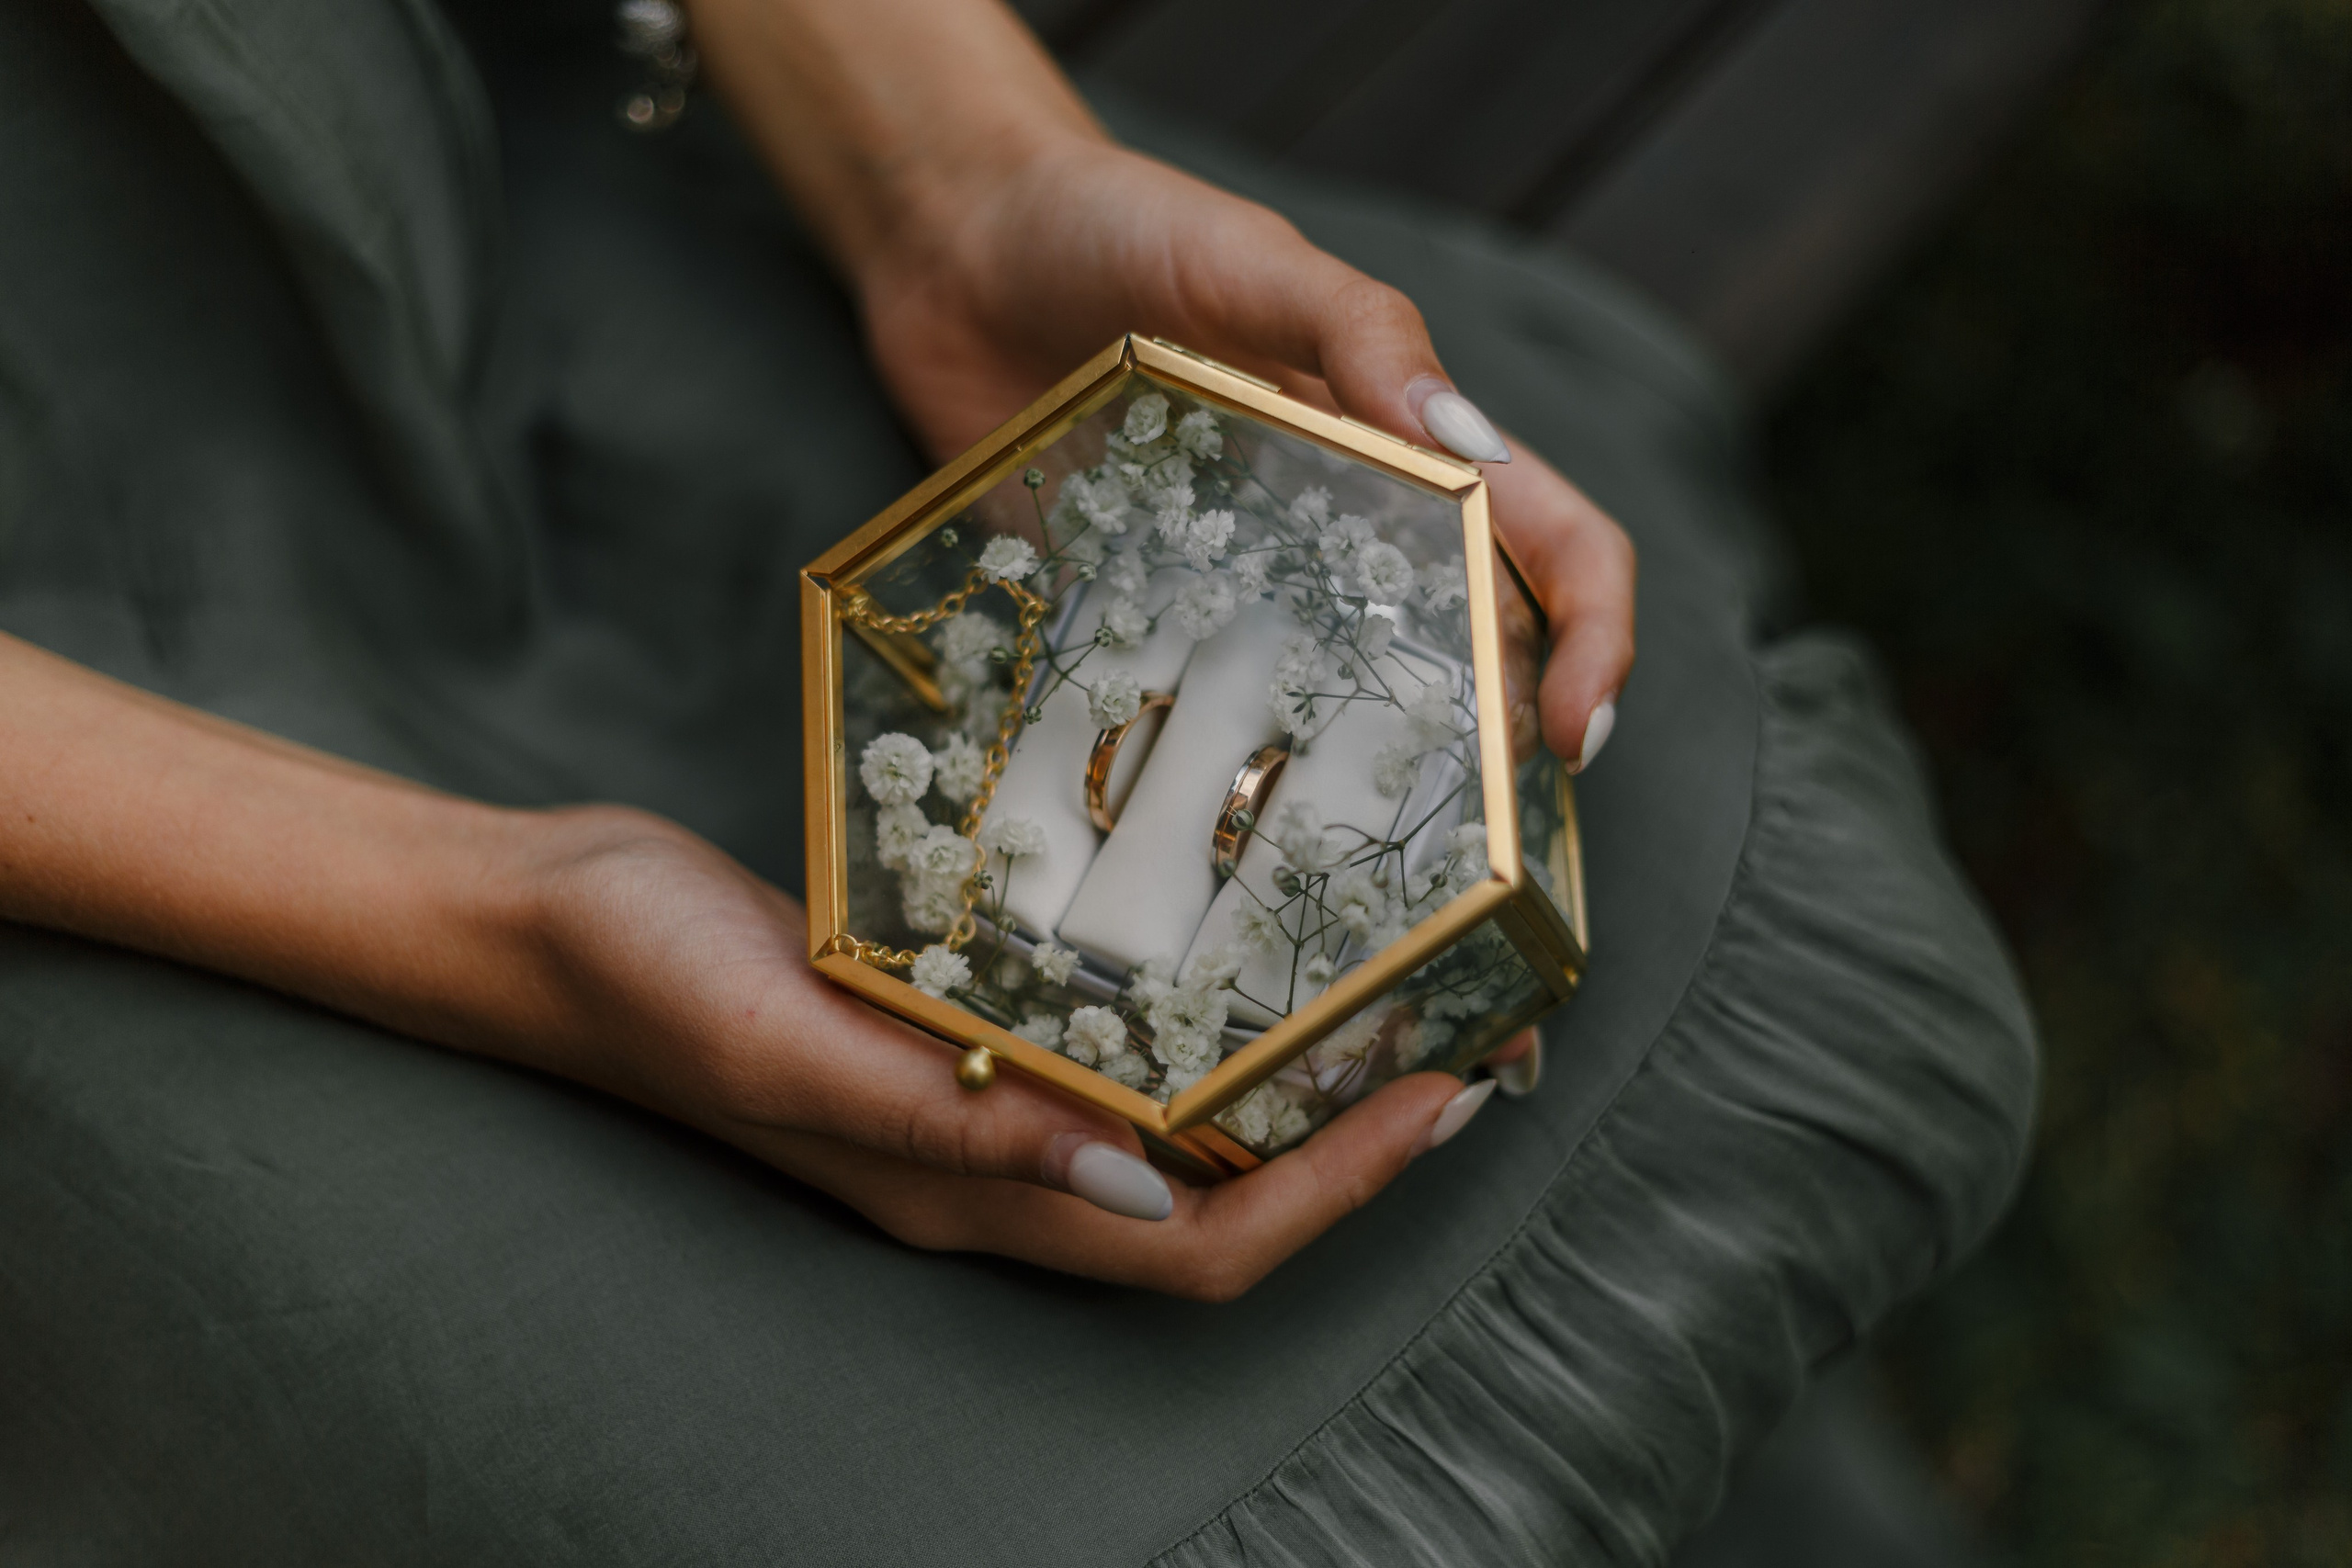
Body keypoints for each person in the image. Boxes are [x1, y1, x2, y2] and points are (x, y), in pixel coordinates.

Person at [0, 0, 1633, 1300]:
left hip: (559, 186)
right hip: (106, 793)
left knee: (1668, 876)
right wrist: (502, 934)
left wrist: (950, 176)